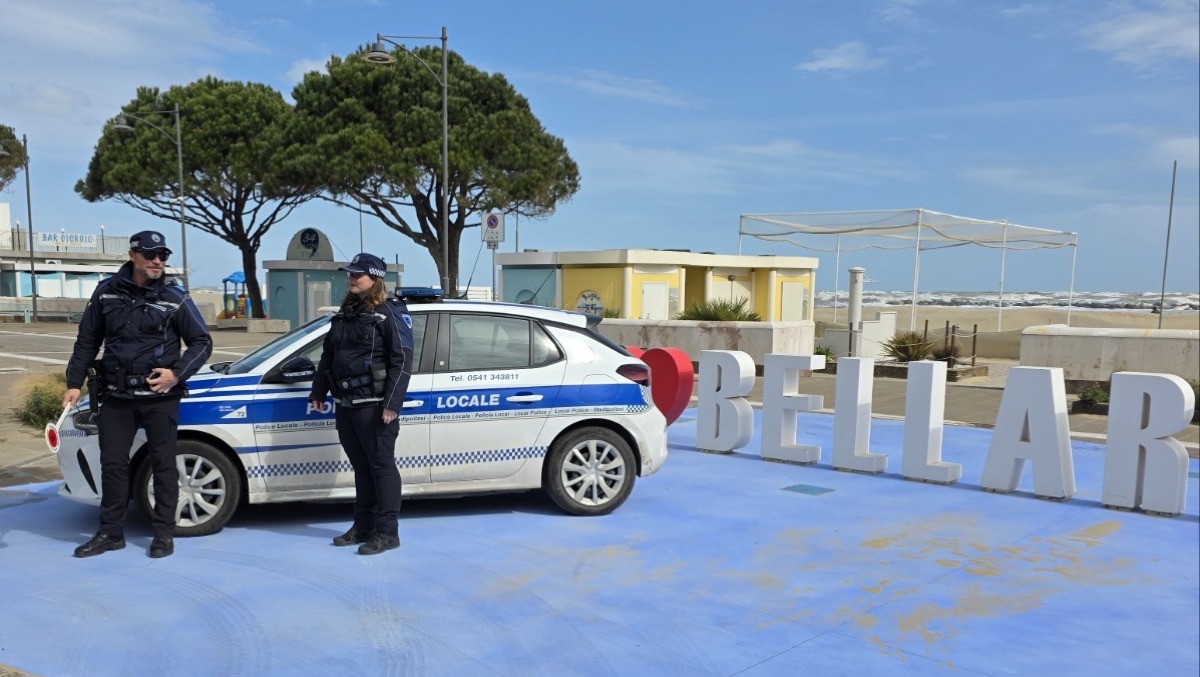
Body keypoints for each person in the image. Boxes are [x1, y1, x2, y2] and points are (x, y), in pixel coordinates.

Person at [63, 231, 213, 559]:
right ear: (133, 255)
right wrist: (74, 383)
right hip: (116, 395)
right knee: (113, 465)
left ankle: (163, 534)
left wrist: (176, 374)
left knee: (163, 465)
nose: (158, 261)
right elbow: (87, 341)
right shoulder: (105, 293)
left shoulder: (175, 297)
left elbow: (202, 342)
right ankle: (110, 533)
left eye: (162, 255)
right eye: (151, 255)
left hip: (160, 397)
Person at [309, 252, 414, 555]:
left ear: (374, 278)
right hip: (347, 402)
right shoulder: (346, 312)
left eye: (358, 274)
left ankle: (387, 532)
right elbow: (328, 355)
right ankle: (363, 526)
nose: (351, 278)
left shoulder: (389, 312)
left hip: (375, 404)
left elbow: (402, 359)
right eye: (350, 274)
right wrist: (318, 391)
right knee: (361, 467)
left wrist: (392, 403)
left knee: (381, 467)